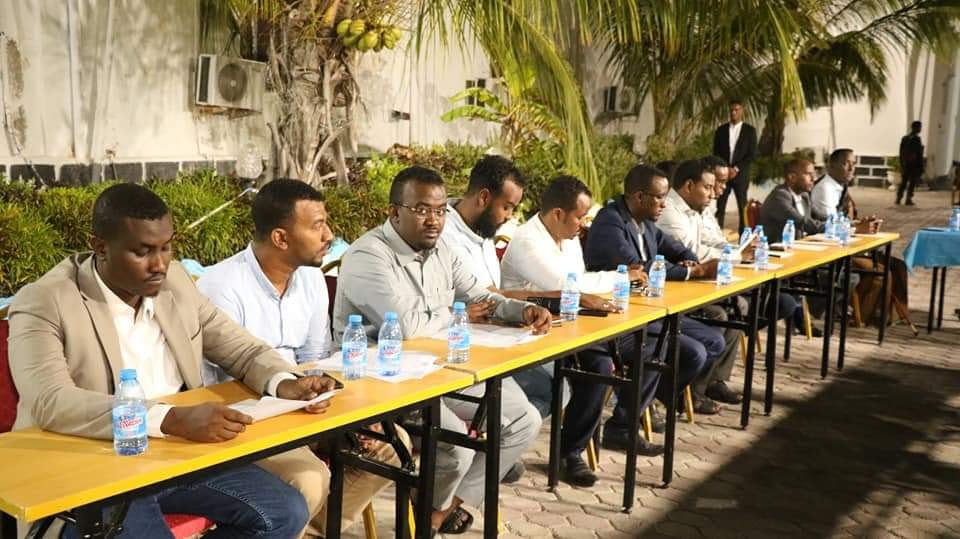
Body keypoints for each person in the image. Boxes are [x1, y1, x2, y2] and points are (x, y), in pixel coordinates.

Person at [7, 183, 318, 539]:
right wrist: (170, 419)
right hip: (93, 461)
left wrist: (284, 380)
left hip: (176, 454)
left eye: (166, 247)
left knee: (284, 512)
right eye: (142, 252)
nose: (159, 264)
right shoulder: (46, 300)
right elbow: (51, 400)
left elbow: (240, 348)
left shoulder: (176, 281)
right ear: (100, 247)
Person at [333, 166, 551, 535]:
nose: (433, 220)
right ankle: (426, 519)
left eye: (439, 211)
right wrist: (454, 314)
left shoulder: (442, 250)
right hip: (385, 382)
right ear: (394, 212)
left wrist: (523, 310)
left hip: (441, 370)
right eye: (421, 210)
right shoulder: (367, 255)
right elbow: (406, 327)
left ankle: (437, 510)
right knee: (456, 448)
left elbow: (479, 296)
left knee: (523, 420)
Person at [197, 179, 410, 538]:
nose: (329, 235)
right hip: (249, 421)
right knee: (310, 480)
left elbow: (316, 359)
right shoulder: (222, 287)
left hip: (304, 410)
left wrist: (342, 416)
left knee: (392, 444)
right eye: (317, 226)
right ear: (281, 238)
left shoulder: (311, 279)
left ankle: (305, 531)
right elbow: (221, 386)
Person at [500, 175, 659, 486]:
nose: (584, 225)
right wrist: (621, 278)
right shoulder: (527, 241)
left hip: (571, 325)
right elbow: (570, 286)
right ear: (558, 214)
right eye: (580, 217)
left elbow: (581, 285)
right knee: (598, 368)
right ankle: (568, 454)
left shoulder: (569, 238)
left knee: (649, 344)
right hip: (530, 333)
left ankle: (623, 426)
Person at [584, 164, 723, 429]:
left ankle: (649, 399)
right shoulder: (611, 221)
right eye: (659, 197)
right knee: (690, 352)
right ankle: (625, 420)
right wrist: (696, 272)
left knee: (714, 341)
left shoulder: (646, 223)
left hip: (650, 308)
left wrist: (690, 261)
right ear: (639, 196)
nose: (664, 204)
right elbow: (637, 268)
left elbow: (674, 247)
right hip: (618, 317)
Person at [656, 159, 746, 406]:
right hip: (672, 291)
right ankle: (690, 391)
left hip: (693, 283)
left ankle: (713, 382)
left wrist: (736, 251)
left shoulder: (695, 210)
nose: (713, 193)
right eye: (707, 187)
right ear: (688, 186)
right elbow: (694, 252)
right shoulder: (670, 212)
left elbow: (708, 244)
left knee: (738, 309)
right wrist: (737, 256)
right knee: (720, 315)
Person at [713, 99, 757, 231]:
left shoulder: (750, 131)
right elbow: (716, 152)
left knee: (742, 208)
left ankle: (743, 236)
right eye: (731, 110)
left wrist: (736, 169)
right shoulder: (721, 130)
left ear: (742, 111)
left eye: (736, 110)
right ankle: (717, 233)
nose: (733, 113)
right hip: (723, 175)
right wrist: (725, 169)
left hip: (741, 175)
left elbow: (752, 154)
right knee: (720, 207)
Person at [897, 120, 924, 206]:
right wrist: (921, 166)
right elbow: (919, 153)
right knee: (912, 182)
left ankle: (899, 198)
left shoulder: (905, 138)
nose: (920, 129)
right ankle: (908, 199)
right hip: (914, 165)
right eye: (919, 127)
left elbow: (901, 152)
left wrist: (902, 162)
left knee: (904, 182)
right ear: (915, 128)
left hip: (905, 163)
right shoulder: (917, 139)